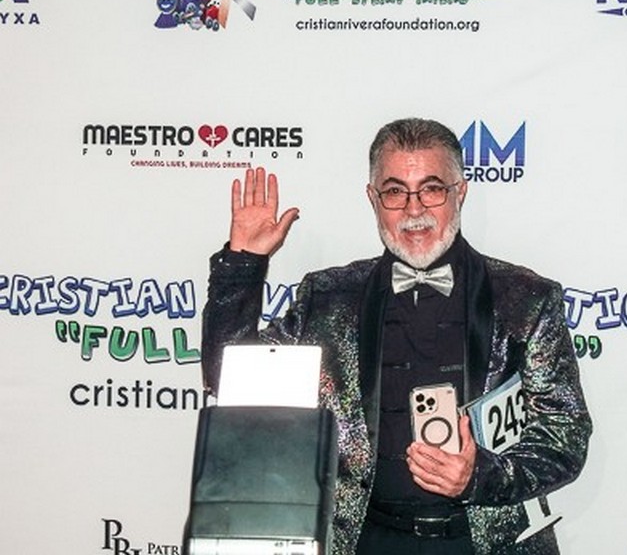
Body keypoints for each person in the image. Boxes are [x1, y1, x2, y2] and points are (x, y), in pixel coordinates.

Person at [201, 118, 592, 555]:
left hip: (489, 545)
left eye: (432, 189)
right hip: (365, 541)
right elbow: (230, 381)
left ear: (459, 193)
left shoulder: (525, 300)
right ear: (373, 199)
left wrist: (480, 476)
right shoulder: (328, 298)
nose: (413, 209)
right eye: (395, 191)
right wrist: (244, 264)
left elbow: (565, 434)